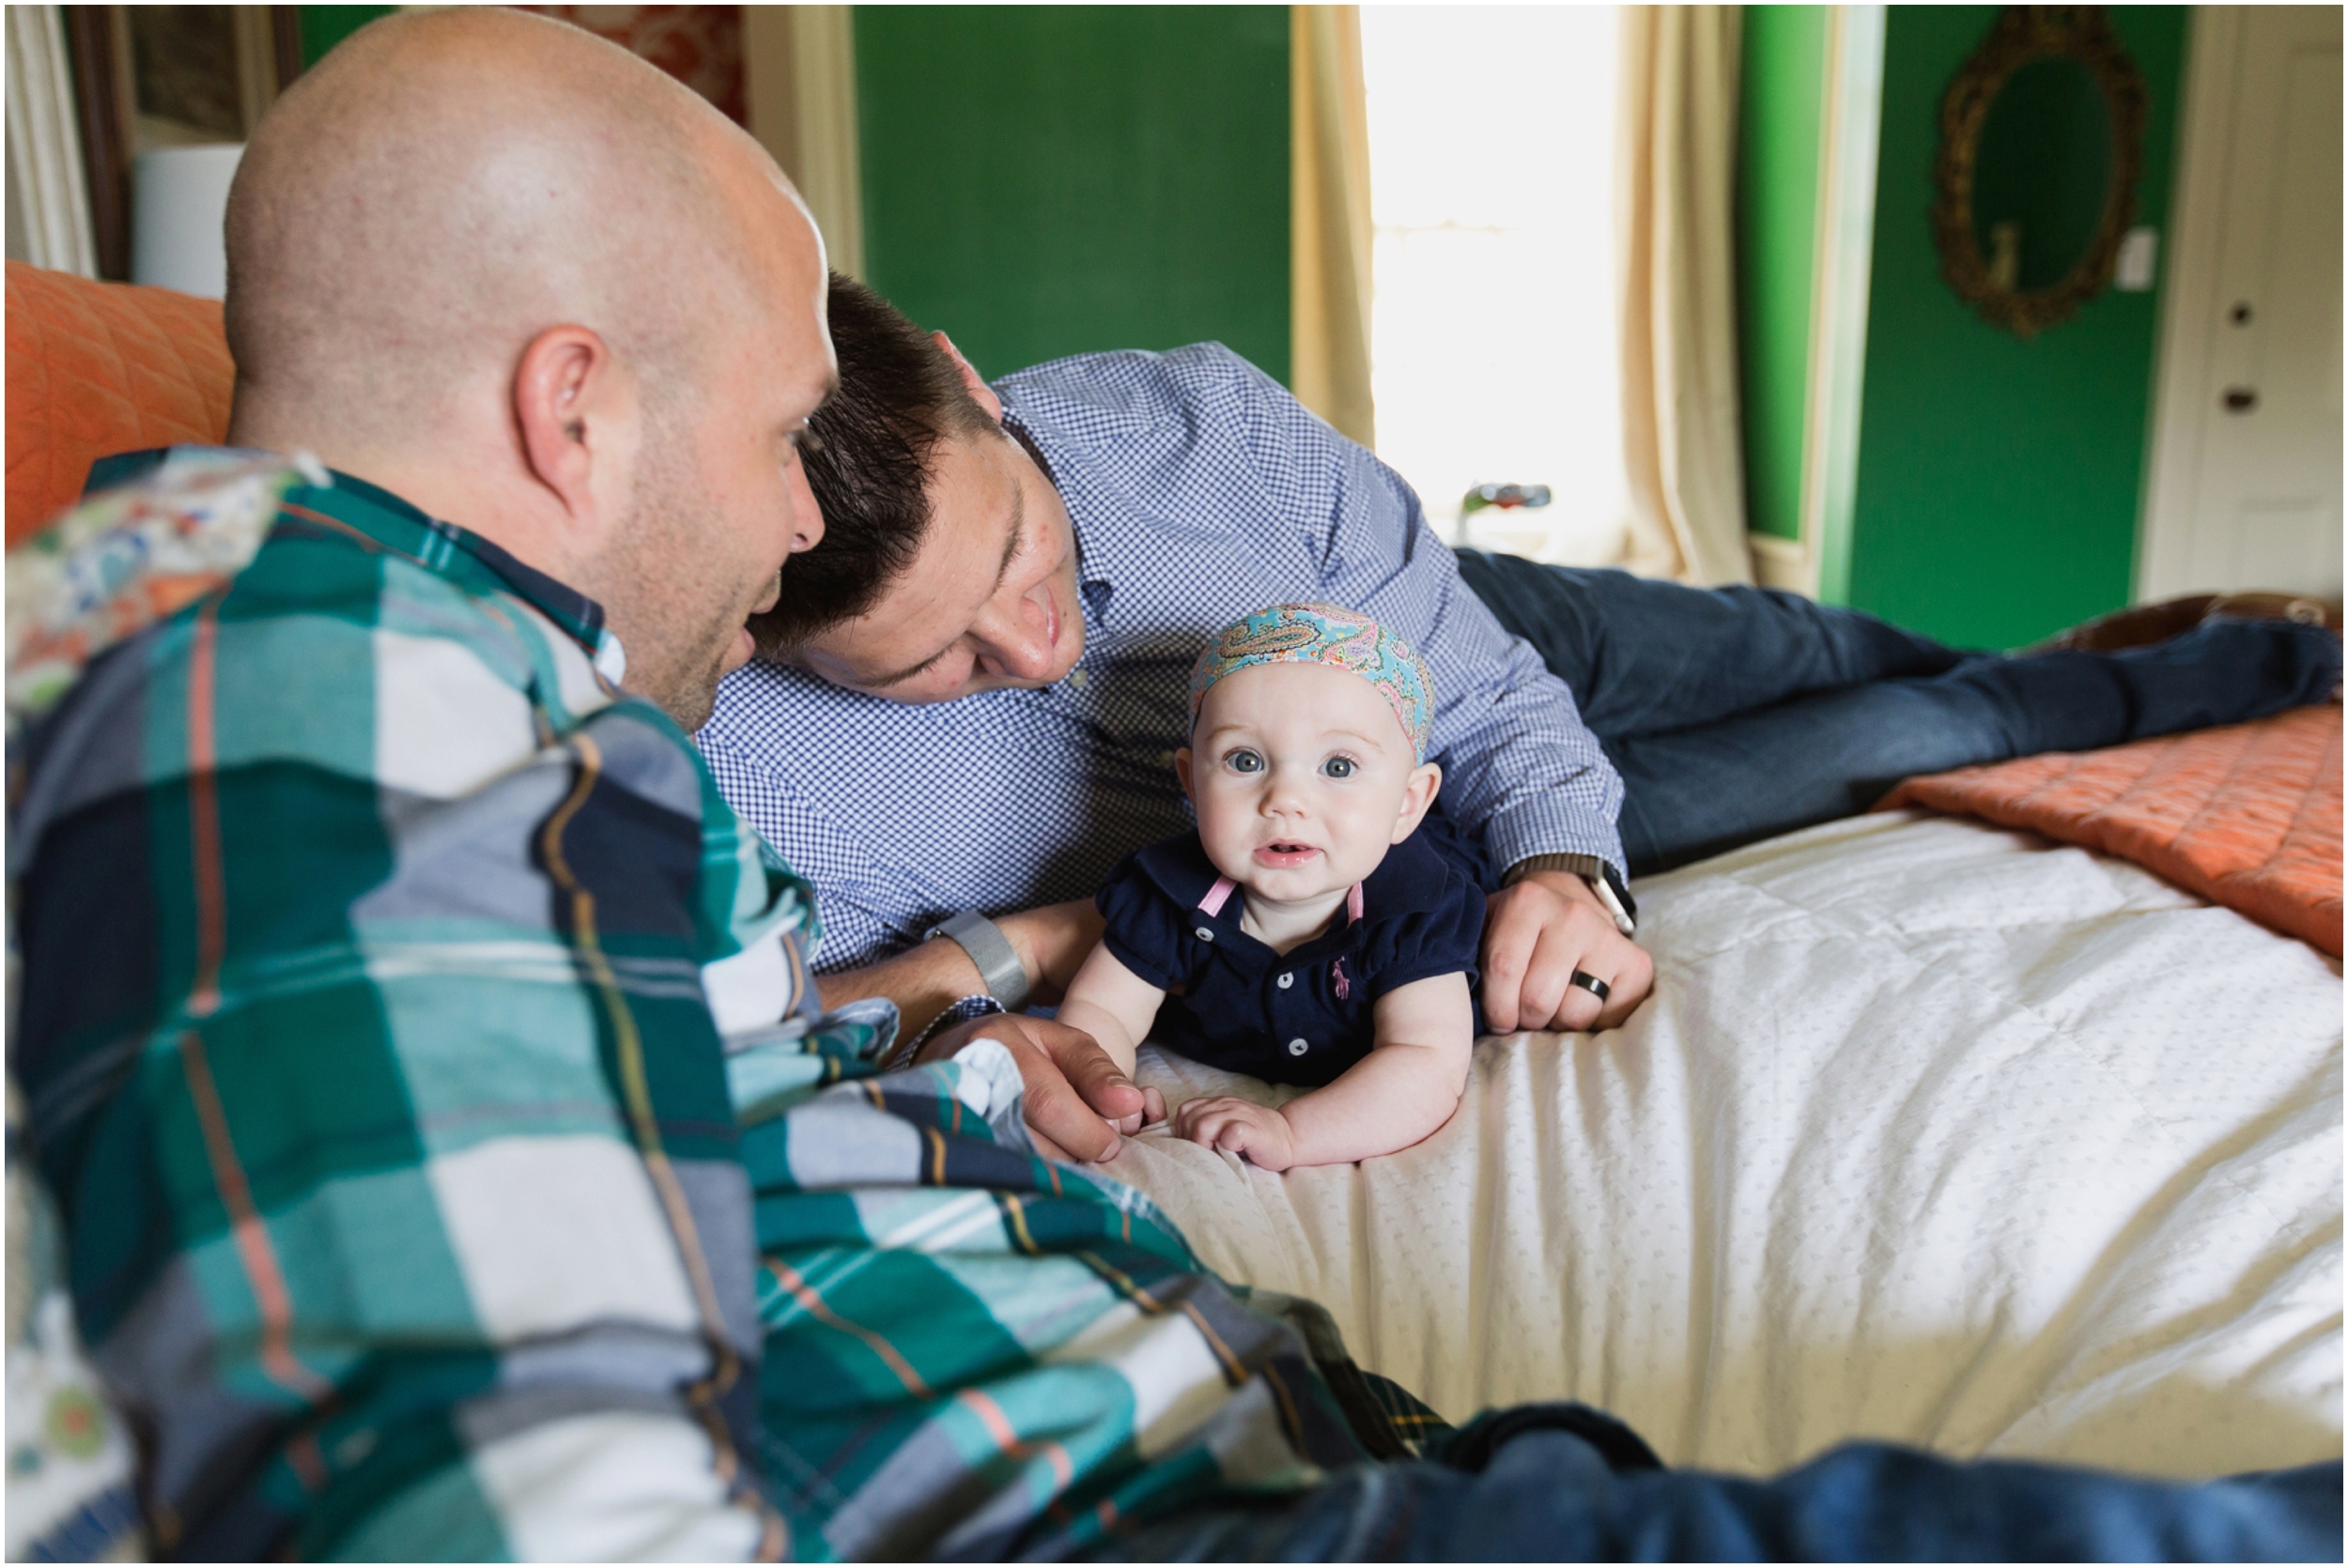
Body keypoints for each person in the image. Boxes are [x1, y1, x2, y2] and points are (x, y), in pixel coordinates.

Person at [9, 14, 2338, 1560]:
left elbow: (550, 1097)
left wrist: (912, 1049)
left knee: (1843, 679)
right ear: (571, 410)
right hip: (1193, 1508)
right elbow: (481, 1484)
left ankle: (2156, 671)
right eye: (760, 434)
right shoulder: (304, 662)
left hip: (1452, 692)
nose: (774, 518)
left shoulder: (470, 698)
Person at [700, 275, 2344, 1154]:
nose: (1038, 646)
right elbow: (766, 1022)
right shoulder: (746, 758)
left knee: (1802, 639)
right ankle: (2235, 670)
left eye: (1021, 554)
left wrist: (1566, 852)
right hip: (1375, 855)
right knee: (1908, 742)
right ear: (764, 613)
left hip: (1472, 639)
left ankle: (2196, 643)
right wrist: (1021, 949)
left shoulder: (1197, 417)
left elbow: (1488, 702)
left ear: (976, 384)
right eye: (942, 668)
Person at [1061, 604, 1485, 1170]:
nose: (1284, 799)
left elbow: (1425, 1064)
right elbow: (1101, 1009)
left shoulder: (1418, 907)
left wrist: (1291, 1133)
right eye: (1245, 760)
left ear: (1408, 803)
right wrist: (1103, 1086)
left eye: (1338, 767)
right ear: (1191, 782)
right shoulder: (1166, 892)